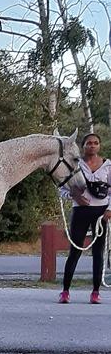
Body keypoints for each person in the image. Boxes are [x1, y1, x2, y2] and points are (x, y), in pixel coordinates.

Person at [58, 130, 111, 303]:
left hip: (101, 213)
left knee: (98, 251)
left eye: (96, 143)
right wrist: (74, 197)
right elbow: (62, 188)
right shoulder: (76, 164)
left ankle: (95, 292)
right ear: (83, 146)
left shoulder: (107, 165)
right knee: (75, 250)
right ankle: (65, 291)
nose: (92, 146)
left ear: (99, 145)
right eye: (89, 143)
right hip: (81, 211)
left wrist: (109, 210)